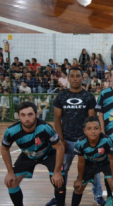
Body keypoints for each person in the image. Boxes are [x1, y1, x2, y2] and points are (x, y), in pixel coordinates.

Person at [45, 67, 104, 206]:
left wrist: (90, 140)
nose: (75, 78)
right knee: (62, 169)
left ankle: (98, 195)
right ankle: (58, 195)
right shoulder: (61, 96)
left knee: (93, 168)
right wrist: (61, 139)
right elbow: (57, 119)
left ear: (82, 78)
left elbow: (92, 120)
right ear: (69, 78)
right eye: (72, 76)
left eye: (78, 76)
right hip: (67, 141)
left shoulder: (88, 97)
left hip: (85, 140)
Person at [1, 101, 66, 206]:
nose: (27, 118)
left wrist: (57, 171)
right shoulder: (11, 131)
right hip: (28, 155)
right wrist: (9, 172)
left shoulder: (45, 128)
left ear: (36, 114)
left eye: (30, 114)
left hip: (49, 154)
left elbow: (60, 147)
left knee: (59, 182)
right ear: (18, 116)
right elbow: (4, 149)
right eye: (23, 115)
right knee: (11, 182)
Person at [72, 117, 113, 206]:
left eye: (96, 128)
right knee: (78, 188)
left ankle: (110, 199)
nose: (93, 131)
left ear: (100, 129)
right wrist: (79, 179)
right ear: (84, 131)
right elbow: (81, 162)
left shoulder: (107, 140)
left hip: (105, 164)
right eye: (89, 129)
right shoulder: (80, 142)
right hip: (89, 164)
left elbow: (112, 159)